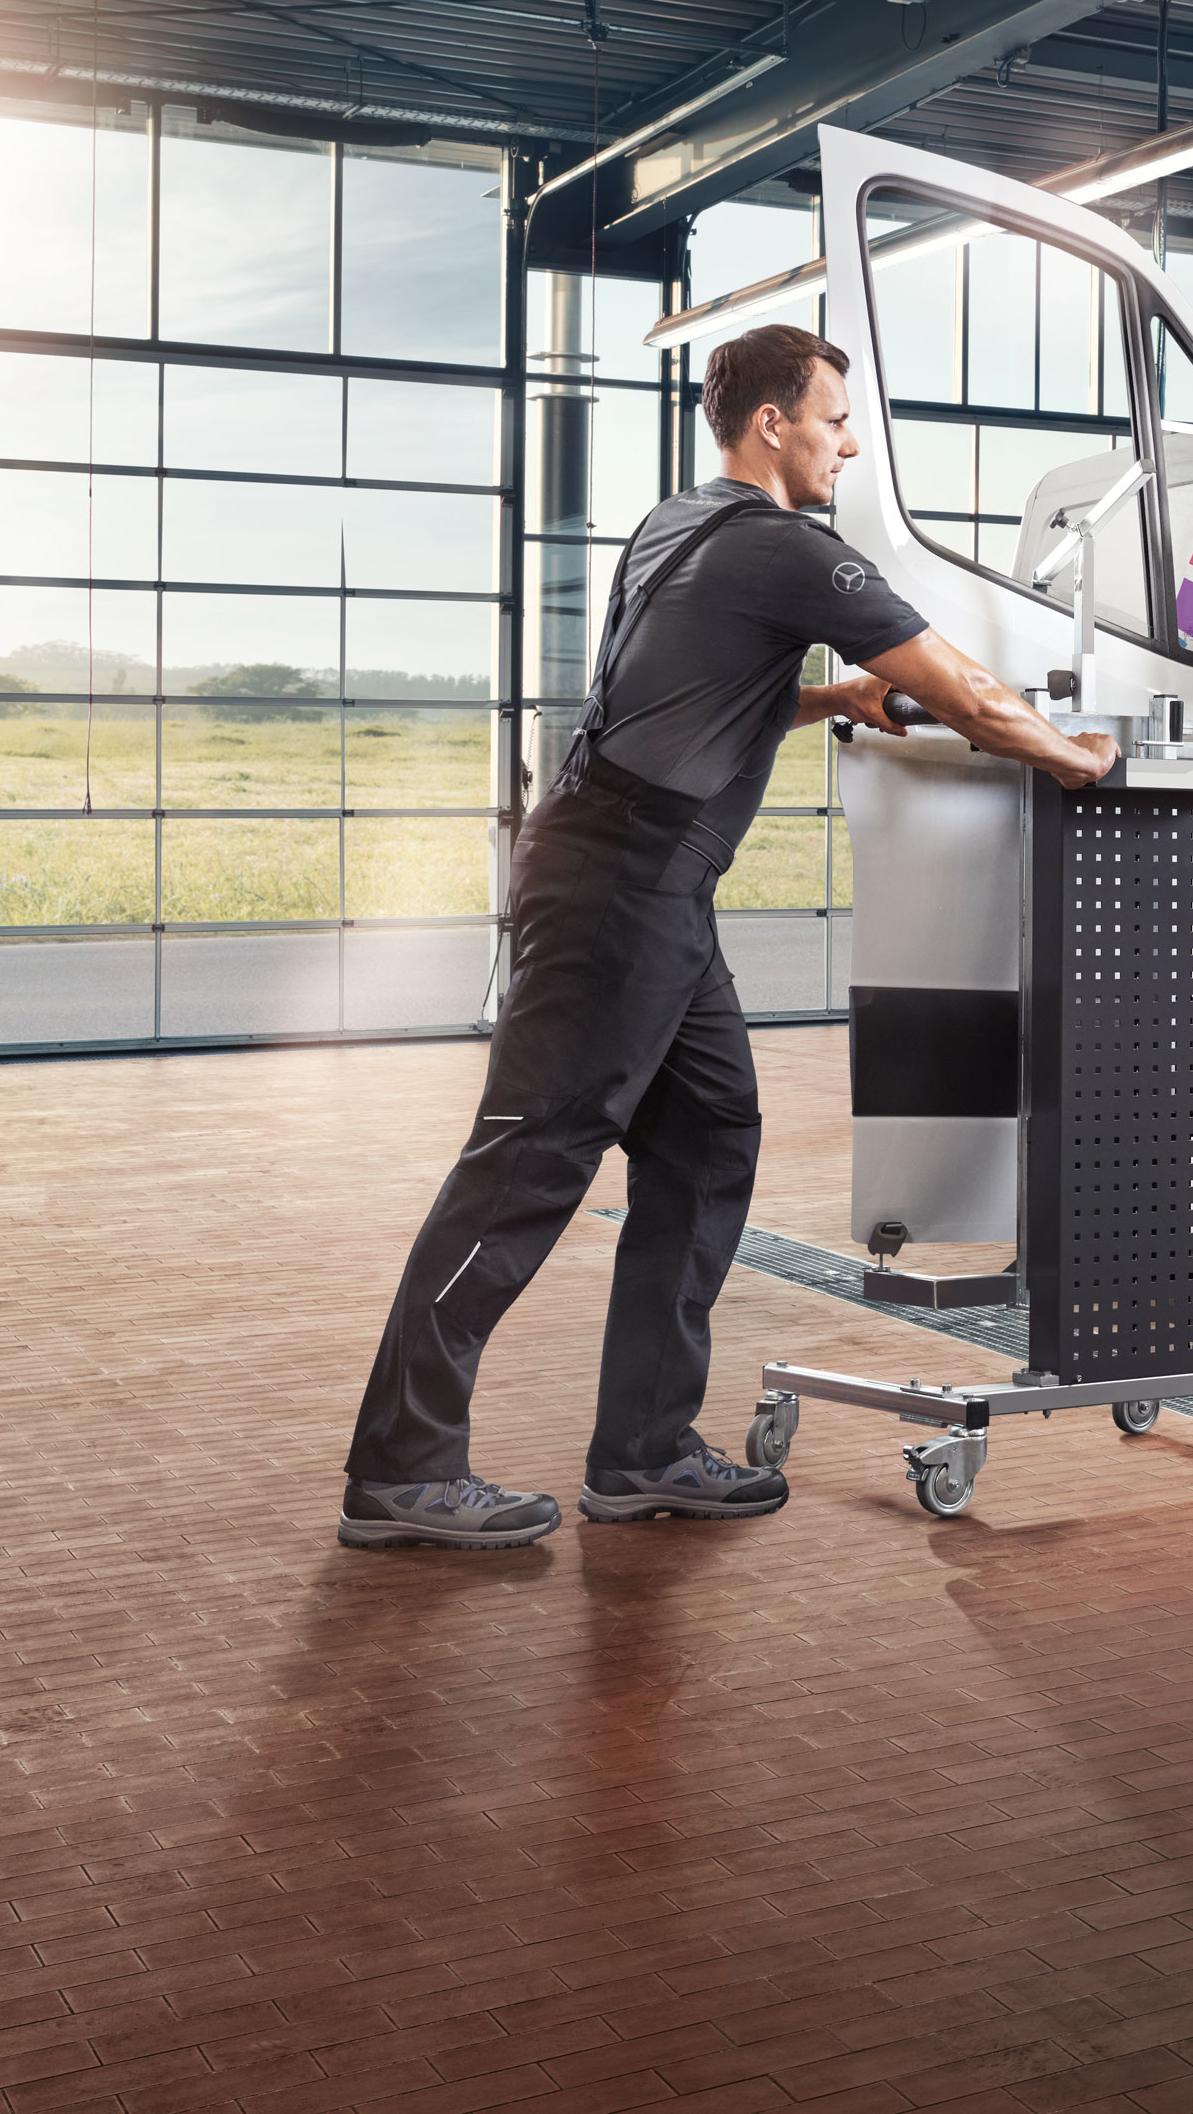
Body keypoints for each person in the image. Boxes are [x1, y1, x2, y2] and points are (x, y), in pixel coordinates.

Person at [338, 324, 1114, 1549]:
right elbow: (966, 692)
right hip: (624, 881)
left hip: (641, 872)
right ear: (773, 424)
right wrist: (1078, 758)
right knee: (530, 1159)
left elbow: (678, 689)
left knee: (707, 1139)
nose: (849, 441)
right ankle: (401, 1465)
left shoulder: (673, 523)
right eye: (835, 419)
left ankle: (645, 1451)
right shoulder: (785, 547)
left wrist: (829, 696)